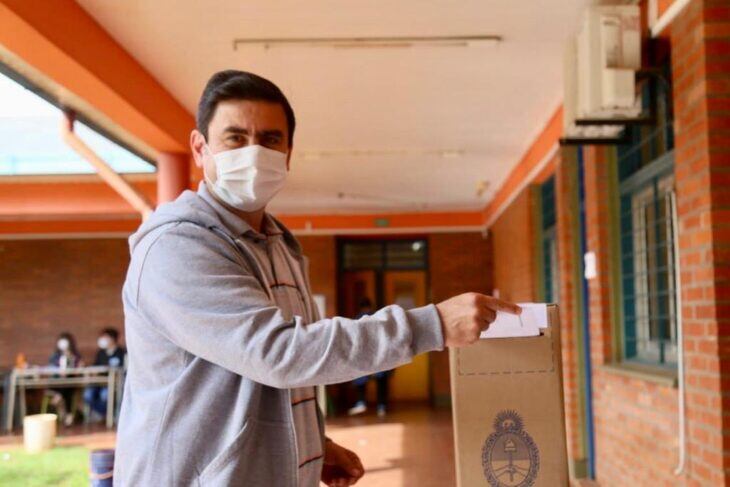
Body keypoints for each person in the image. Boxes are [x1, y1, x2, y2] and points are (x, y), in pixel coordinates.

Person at [114, 70, 521, 487]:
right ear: (200, 149)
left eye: (270, 140)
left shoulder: (278, 245)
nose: (253, 153)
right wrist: (430, 325)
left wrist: (310, 443)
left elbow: (279, 371)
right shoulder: (176, 246)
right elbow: (278, 354)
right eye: (235, 138)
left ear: (288, 154)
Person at [347, 297, 393, 418]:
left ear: (360, 307)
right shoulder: (377, 317)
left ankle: (361, 402)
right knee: (381, 380)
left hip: (363, 355)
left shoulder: (357, 319)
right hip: (379, 354)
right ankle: (381, 406)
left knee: (360, 378)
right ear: (371, 306)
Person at [84, 327, 126, 420]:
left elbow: (122, 369)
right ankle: (103, 414)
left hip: (113, 384)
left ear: (112, 338)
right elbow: (95, 366)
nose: (103, 340)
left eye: (106, 337)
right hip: (99, 382)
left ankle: (108, 415)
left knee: (104, 395)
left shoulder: (121, 352)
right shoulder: (101, 352)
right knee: (88, 395)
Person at [46, 332, 83, 426]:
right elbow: (51, 369)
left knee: (68, 384)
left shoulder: (75, 356)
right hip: (56, 383)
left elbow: (79, 370)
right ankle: (68, 415)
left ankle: (59, 397)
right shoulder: (55, 356)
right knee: (66, 389)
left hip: (71, 382)